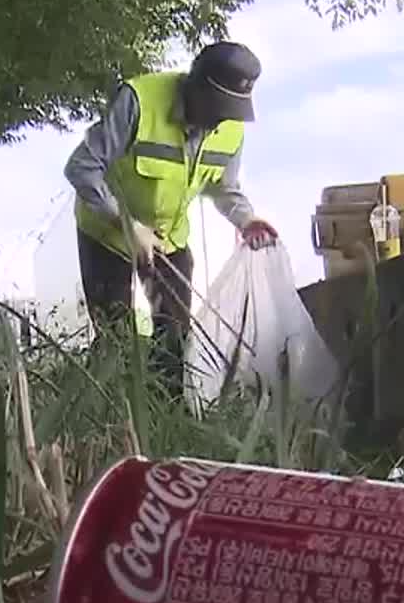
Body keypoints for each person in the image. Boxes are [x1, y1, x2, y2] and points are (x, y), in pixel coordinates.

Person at [64, 41, 278, 397]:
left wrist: (246, 219)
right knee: (116, 338)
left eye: (231, 110)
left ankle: (167, 425)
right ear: (196, 86)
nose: (220, 119)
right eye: (218, 107)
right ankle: (104, 417)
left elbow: (224, 188)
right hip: (106, 232)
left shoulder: (230, 128)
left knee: (175, 338)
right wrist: (127, 225)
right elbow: (81, 168)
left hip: (168, 238)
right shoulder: (139, 101)